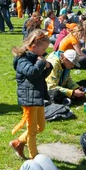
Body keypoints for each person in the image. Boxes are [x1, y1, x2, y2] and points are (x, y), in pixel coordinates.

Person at [10, 30, 53, 159]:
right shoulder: (22, 60)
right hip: (28, 98)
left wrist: (48, 66)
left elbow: (40, 76)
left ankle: (18, 142)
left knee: (41, 126)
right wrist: (40, 63)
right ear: (34, 46)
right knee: (33, 130)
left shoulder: (36, 57)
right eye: (43, 48)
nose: (45, 51)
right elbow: (32, 73)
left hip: (37, 96)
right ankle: (34, 157)